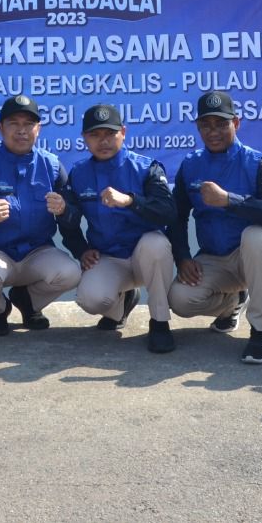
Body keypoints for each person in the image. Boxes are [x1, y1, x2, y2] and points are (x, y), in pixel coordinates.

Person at [166, 91, 262, 364]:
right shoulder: (191, 165)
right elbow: (177, 217)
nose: (213, 131)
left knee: (254, 235)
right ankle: (233, 302)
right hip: (215, 258)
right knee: (180, 299)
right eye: (206, 125)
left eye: (221, 124)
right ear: (198, 127)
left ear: (236, 123)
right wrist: (183, 257)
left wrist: (229, 200)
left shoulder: (258, 162)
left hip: (257, 255)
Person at [0, 95, 81, 335]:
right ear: (0, 127)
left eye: (28, 124)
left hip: (37, 252)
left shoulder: (53, 165)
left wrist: (65, 211)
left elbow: (74, 221)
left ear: (39, 129)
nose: (21, 130)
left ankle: (28, 303)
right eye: (13, 123)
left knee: (71, 273)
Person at [62, 103, 178, 352]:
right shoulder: (79, 173)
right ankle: (122, 304)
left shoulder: (147, 168)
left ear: (123, 132)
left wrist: (130, 201)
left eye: (110, 134)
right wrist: (81, 250)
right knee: (89, 299)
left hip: (144, 257)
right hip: (110, 259)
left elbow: (168, 211)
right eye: (95, 135)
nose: (102, 141)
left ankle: (159, 322)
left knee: (155, 243)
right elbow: (68, 222)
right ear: (84, 139)